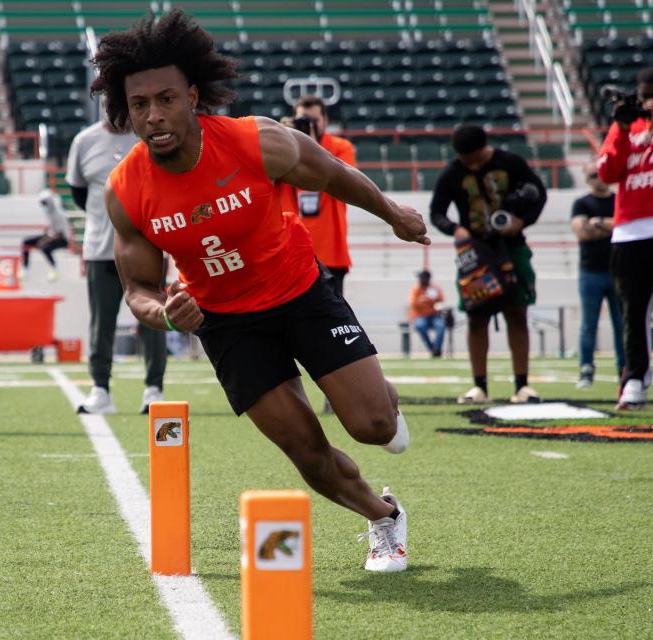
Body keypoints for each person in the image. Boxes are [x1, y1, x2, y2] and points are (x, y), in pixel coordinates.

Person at [94, 10, 426, 572]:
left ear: (193, 96)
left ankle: (377, 394)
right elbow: (139, 290)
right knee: (305, 451)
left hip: (301, 294)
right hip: (225, 323)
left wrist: (393, 213)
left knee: (373, 426)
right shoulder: (125, 192)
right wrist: (169, 315)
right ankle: (384, 516)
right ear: (125, 112)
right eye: (140, 105)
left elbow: (333, 174)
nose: (154, 116)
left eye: (166, 99)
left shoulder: (256, 140)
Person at [429, 125, 547, 405]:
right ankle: (479, 386)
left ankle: (523, 385)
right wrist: (454, 229)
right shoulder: (452, 172)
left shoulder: (510, 162)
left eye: (476, 158)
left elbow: (539, 194)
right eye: (466, 160)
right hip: (475, 253)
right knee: (475, 317)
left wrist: (522, 221)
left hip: (512, 246)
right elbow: (436, 212)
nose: (471, 165)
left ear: (486, 147)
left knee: (517, 313)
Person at [66, 99, 167, 415]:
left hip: (146, 246)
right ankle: (100, 390)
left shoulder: (147, 137)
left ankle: (153, 389)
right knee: (101, 322)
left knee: (153, 320)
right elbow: (79, 194)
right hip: (99, 248)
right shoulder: (84, 141)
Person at [597, 66, 653, 410]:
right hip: (629, 231)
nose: (650, 102)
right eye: (645, 97)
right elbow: (607, 173)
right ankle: (634, 379)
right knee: (633, 311)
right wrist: (625, 130)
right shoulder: (626, 124)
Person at [279, 96, 355, 299]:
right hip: (292, 255)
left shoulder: (341, 147)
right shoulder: (282, 150)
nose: (309, 125)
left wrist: (309, 145)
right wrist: (283, 138)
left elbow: (343, 181)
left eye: (314, 120)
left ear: (326, 120)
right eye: (303, 121)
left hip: (331, 253)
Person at [570, 161, 624, 389]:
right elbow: (582, 232)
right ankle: (586, 370)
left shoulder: (618, 200)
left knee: (622, 324)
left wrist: (599, 223)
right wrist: (611, 227)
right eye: (592, 174)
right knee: (588, 325)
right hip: (590, 271)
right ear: (585, 178)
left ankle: (625, 370)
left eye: (600, 173)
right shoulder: (581, 203)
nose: (597, 178)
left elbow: (624, 226)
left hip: (619, 270)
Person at [21, 189, 69, 282]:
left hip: (62, 239)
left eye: (44, 203)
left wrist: (44, 240)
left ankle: (54, 269)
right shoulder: (48, 213)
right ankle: (25, 269)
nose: (43, 205)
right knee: (26, 242)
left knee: (44, 247)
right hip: (51, 235)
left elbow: (60, 234)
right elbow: (50, 229)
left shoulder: (58, 214)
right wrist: (44, 237)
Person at [408, 270, 446, 357]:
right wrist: (430, 301)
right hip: (419, 316)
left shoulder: (434, 288)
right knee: (420, 326)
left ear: (427, 278)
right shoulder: (415, 289)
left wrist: (425, 300)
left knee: (441, 326)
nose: (420, 280)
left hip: (434, 316)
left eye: (422, 278)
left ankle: (437, 348)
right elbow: (414, 304)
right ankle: (433, 349)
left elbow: (441, 300)